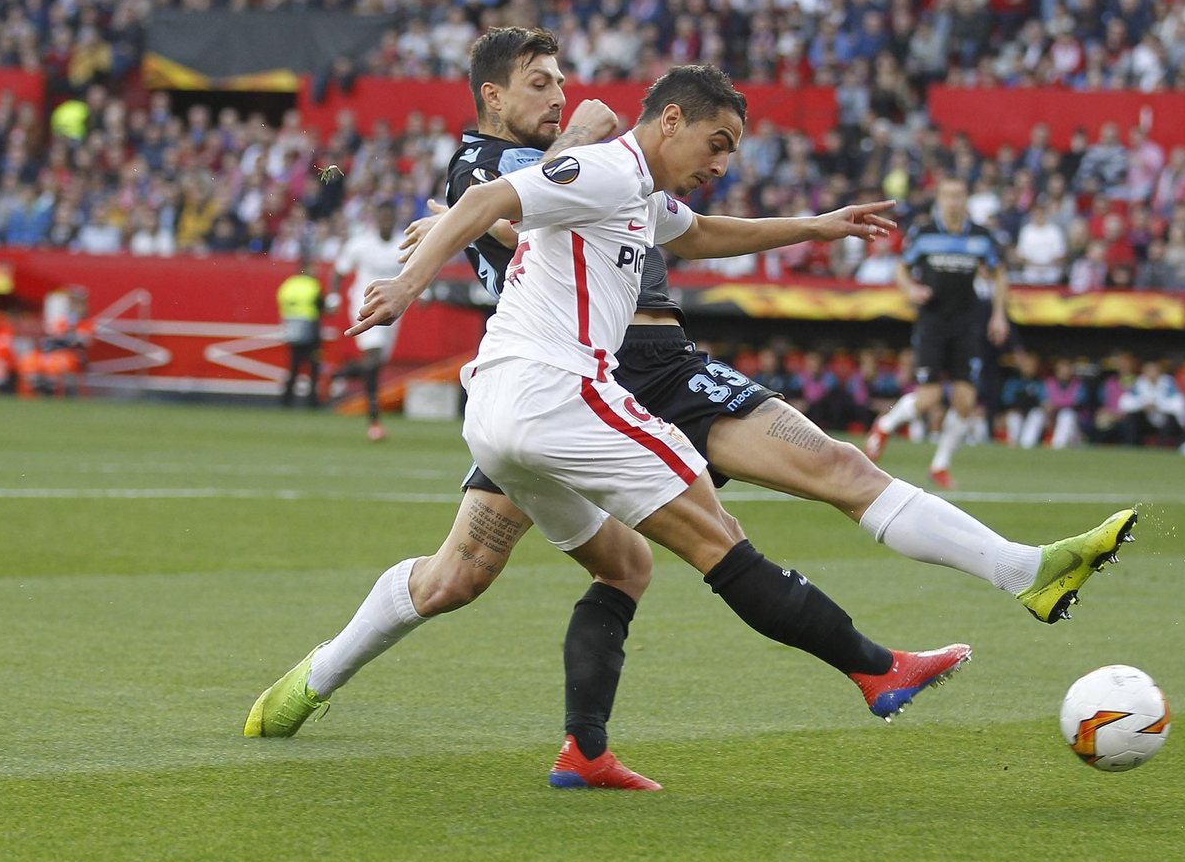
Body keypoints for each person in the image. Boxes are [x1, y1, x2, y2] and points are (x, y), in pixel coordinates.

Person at [245, 47, 1136, 788]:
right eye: (539, 83)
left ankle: (554, 743)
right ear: (493, 98)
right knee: (662, 546)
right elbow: (501, 206)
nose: (559, 95)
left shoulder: (626, 176)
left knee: (625, 558)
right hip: (577, 384)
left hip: (568, 387)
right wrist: (411, 278)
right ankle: (876, 668)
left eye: (562, 82)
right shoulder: (532, 160)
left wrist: (817, 226)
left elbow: (694, 229)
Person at [865, 177, 1010, 489]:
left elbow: (998, 273)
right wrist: (910, 289)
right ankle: (886, 424)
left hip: (967, 324)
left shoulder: (981, 236)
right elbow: (901, 268)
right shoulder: (925, 233)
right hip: (932, 323)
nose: (953, 201)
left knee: (966, 400)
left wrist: (999, 315)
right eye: (948, 196)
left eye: (958, 195)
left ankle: (940, 465)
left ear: (966, 199)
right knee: (929, 397)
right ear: (940, 200)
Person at [329, 201, 404, 440]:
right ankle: (374, 419)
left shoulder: (404, 243)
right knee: (373, 357)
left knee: (377, 360)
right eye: (383, 217)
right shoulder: (361, 244)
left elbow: (416, 269)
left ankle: (340, 374)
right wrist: (333, 296)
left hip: (394, 307)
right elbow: (339, 270)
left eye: (390, 217)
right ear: (376, 219)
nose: (386, 222)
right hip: (365, 304)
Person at [276, 252, 324, 408]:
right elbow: (320, 305)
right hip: (310, 328)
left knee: (293, 366)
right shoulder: (312, 285)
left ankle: (286, 400)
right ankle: (312, 401)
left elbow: (282, 303)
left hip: (292, 329)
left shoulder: (288, 285)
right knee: (313, 366)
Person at [1116, 360, 1185, 447]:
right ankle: (1132, 445)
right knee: (1132, 417)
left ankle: (1162, 446)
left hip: (1166, 421)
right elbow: (1125, 403)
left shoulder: (1168, 383)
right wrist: (1143, 405)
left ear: (1159, 371)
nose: (1151, 374)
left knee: (1171, 418)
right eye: (1148, 371)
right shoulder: (1139, 383)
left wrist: (1158, 405)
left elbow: (1179, 404)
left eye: (1154, 370)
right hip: (1147, 420)